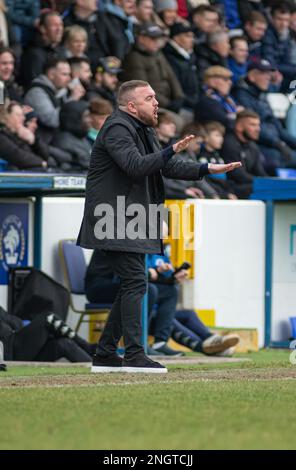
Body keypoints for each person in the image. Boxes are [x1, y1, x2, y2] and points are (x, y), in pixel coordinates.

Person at [77, 79, 242, 374]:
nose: (156, 103)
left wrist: (205, 169)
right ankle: (135, 355)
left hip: (131, 217)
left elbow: (166, 167)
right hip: (113, 217)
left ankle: (105, 353)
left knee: (133, 283)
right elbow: (135, 165)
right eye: (149, 98)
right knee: (137, 282)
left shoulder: (143, 129)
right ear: (131, 106)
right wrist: (169, 151)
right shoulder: (116, 127)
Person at [233, 57, 296, 174]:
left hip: (275, 145)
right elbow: (252, 129)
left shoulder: (262, 96)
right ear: (252, 76)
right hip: (260, 145)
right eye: (264, 74)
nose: (268, 78)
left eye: (269, 74)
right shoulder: (241, 95)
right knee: (275, 162)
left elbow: (279, 129)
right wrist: (277, 144)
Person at [24, 57, 85, 143]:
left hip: (58, 138)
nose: (69, 79)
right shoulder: (36, 93)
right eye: (64, 74)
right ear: (51, 74)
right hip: (44, 140)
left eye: (69, 75)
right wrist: (72, 100)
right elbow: (52, 120)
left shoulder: (60, 90)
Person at [0, 306, 94, 362]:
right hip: (10, 351)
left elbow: (14, 322)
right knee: (48, 318)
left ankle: (97, 372)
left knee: (64, 343)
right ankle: (87, 347)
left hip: (16, 346)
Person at [221, 109, 268, 198]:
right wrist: (260, 182)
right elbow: (237, 174)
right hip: (231, 187)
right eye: (253, 125)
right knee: (260, 188)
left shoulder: (253, 146)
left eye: (258, 125)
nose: (258, 129)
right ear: (239, 126)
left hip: (247, 184)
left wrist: (269, 182)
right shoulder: (229, 143)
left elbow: (260, 171)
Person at [19, 11, 64, 89]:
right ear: (42, 29)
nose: (59, 29)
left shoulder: (59, 51)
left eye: (61, 25)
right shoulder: (34, 54)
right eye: (54, 25)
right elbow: (34, 85)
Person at [0, 101, 49, 170]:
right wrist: (42, 163)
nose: (23, 118)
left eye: (23, 115)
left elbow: (46, 156)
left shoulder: (22, 133)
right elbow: (17, 156)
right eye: (18, 115)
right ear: (7, 117)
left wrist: (34, 141)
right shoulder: (2, 136)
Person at [196, 66, 241, 130]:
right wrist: (238, 115)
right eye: (225, 79)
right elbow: (227, 122)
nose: (230, 82)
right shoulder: (207, 101)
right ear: (212, 81)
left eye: (230, 79)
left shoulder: (227, 99)